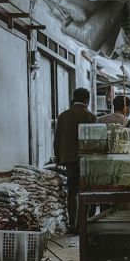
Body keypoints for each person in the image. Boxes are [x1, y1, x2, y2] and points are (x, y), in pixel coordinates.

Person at [54, 88, 97, 232]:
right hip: (87, 159)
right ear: (87, 100)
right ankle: (83, 224)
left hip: (69, 159)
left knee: (72, 191)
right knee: (86, 191)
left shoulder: (63, 116)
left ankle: (73, 224)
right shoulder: (90, 117)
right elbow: (95, 141)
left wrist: (58, 158)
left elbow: (57, 139)